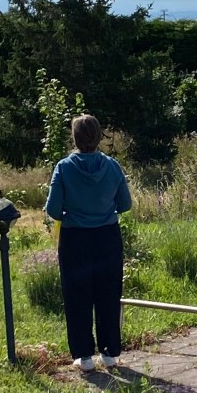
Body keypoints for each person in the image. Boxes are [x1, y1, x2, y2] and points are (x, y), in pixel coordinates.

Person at [45, 114, 132, 372]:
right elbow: (125, 204)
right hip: (107, 236)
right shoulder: (112, 166)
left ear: (75, 137)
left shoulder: (64, 167)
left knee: (77, 295)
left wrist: (72, 212)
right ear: (98, 137)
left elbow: (52, 210)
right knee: (108, 293)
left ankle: (84, 356)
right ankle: (109, 353)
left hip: (75, 238)